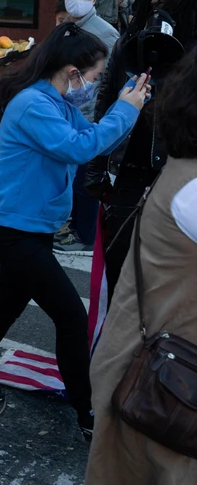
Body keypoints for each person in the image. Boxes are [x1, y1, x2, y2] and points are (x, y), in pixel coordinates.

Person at [0, 22, 150, 443]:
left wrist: (113, 101)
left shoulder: (55, 101)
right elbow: (81, 147)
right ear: (72, 70)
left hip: (28, 227)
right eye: (92, 77)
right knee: (71, 318)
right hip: (14, 231)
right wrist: (126, 110)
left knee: (5, 307)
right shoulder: (33, 105)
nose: (91, 86)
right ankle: (87, 410)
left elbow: (84, 133)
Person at [85, 48, 197, 484]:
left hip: (152, 372)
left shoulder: (181, 171)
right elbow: (83, 144)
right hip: (166, 389)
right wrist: (121, 112)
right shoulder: (191, 190)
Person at [86, 0, 197, 300]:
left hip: (178, 175)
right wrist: (96, 168)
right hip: (128, 170)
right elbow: (105, 104)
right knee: (120, 260)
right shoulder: (129, 44)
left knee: (166, 272)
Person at [53, 0, 120, 252]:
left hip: (89, 116)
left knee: (85, 180)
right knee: (67, 176)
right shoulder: (63, 27)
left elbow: (113, 80)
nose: (77, 0)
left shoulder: (107, 33)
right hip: (60, 111)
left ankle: (86, 236)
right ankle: (70, 228)